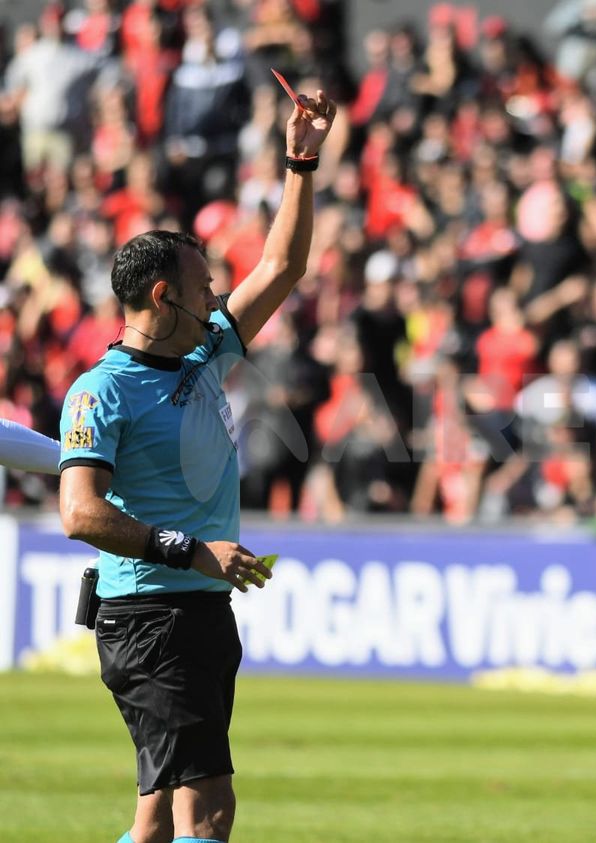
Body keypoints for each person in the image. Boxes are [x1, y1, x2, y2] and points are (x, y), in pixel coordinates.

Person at [57, 86, 336, 843]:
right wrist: (192, 550)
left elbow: (283, 265)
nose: (216, 298)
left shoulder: (202, 350)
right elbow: (79, 512)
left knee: (157, 819)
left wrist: (300, 162)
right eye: (204, 286)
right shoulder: (101, 392)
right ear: (162, 296)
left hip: (196, 611)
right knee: (207, 808)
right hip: (152, 617)